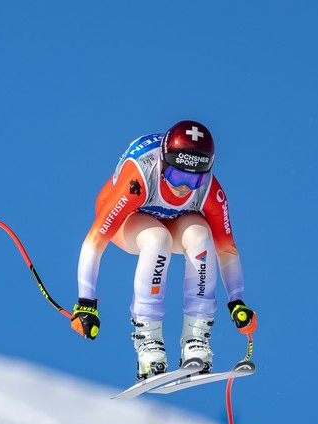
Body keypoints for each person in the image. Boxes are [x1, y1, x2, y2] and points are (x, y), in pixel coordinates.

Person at [70, 120, 257, 381]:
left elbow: (227, 249)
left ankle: (197, 338)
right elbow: (94, 241)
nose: (184, 186)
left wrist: (237, 301)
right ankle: (148, 342)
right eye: (176, 176)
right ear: (163, 164)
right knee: (158, 240)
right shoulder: (140, 175)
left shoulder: (209, 191)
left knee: (201, 236)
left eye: (194, 179)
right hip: (131, 217)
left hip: (174, 218)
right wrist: (85, 303)